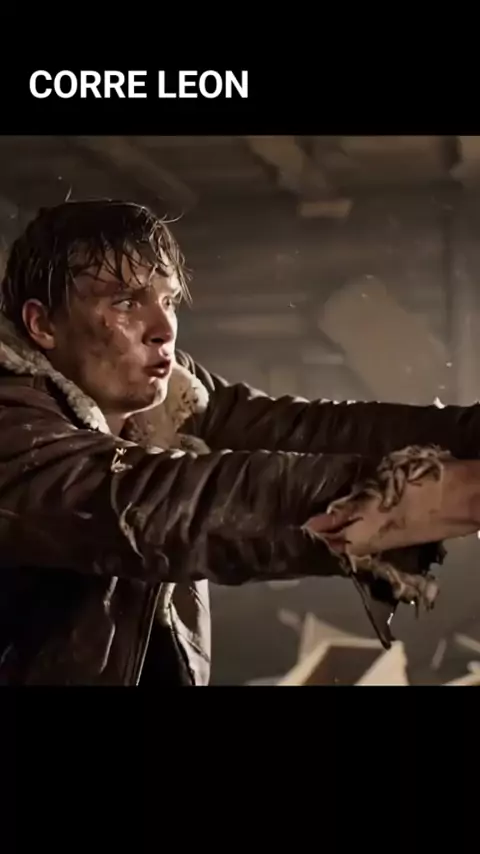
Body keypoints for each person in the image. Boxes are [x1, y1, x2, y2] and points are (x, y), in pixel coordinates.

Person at [0, 199, 480, 686]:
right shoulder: (10, 426)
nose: (164, 330)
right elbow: (159, 505)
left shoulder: (170, 397)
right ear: (42, 324)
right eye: (125, 302)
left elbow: (305, 428)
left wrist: (469, 430)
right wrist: (434, 493)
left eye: (168, 301)